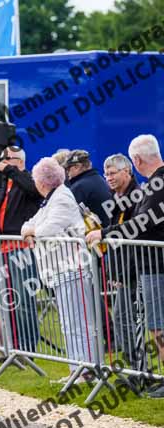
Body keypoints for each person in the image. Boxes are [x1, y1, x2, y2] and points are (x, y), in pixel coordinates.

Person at [87, 134, 164, 395]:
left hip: (155, 266)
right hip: (149, 266)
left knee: (157, 325)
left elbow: (142, 224)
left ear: (136, 161)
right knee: (154, 324)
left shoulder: (157, 185)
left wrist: (104, 233)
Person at [20, 158, 95, 384]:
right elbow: (28, 224)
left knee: (77, 322)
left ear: (42, 182)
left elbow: (45, 229)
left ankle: (86, 369)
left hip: (72, 268)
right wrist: (31, 230)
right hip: (59, 271)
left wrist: (32, 230)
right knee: (67, 322)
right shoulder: (50, 200)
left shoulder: (61, 198)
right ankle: (76, 368)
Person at [0, 146, 43, 352]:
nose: (3, 162)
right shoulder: (3, 185)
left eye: (8, 159)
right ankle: (13, 346)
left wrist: (8, 170)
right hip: (4, 248)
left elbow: (34, 191)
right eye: (2, 159)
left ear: (21, 162)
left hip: (23, 249)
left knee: (23, 300)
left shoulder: (28, 180)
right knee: (8, 302)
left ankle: (27, 347)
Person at [99, 153, 146, 385]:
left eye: (113, 173)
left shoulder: (137, 196)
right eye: (106, 174)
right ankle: (135, 370)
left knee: (130, 320)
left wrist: (122, 273)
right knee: (122, 319)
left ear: (127, 171)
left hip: (136, 268)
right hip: (123, 269)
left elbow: (131, 232)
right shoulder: (114, 196)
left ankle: (140, 372)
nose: (108, 177)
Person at [63, 150, 113, 227]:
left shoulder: (79, 187)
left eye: (67, 168)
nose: (66, 172)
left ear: (77, 167)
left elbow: (65, 216)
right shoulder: (99, 180)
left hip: (94, 236)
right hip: (106, 233)